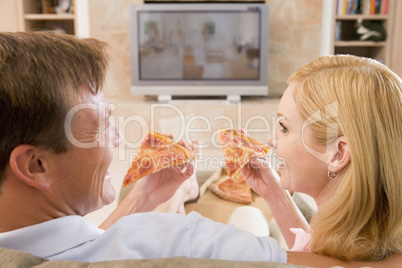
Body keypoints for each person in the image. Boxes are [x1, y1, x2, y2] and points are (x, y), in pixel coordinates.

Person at [0, 31, 400, 267]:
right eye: (103, 125)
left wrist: (139, 198)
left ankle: (185, 196)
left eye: (283, 126)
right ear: (34, 165)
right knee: (247, 217)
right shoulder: (176, 239)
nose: (121, 138)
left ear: (338, 153)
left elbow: (82, 250)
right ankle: (189, 196)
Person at [242, 54, 402, 263]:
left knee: (247, 216)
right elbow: (314, 254)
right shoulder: (370, 237)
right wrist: (274, 194)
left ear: (338, 154)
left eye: (284, 127)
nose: (270, 140)